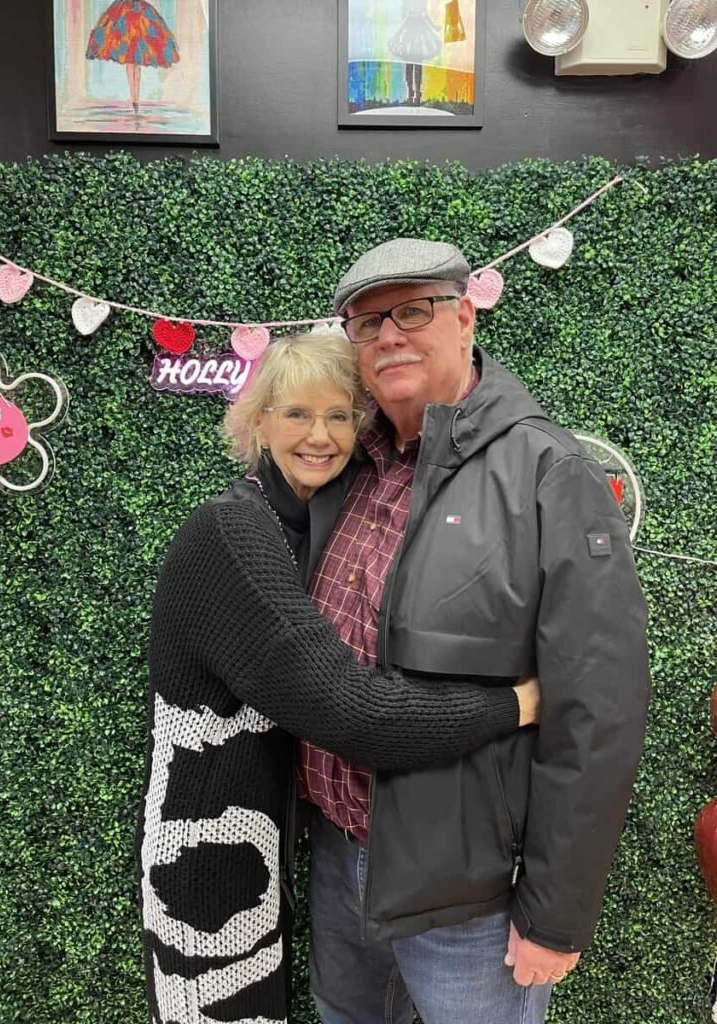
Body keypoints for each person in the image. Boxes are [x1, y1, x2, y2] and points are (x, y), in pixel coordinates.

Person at [138, 330, 541, 1024]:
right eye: (296, 413)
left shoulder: (300, 526)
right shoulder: (235, 534)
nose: (319, 435)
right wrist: (516, 704)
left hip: (253, 849)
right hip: (204, 862)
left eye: (338, 416)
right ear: (257, 422)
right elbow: (353, 714)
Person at [299, 239, 651, 1024]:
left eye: (412, 311)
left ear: (464, 317)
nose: (389, 336)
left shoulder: (547, 471)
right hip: (338, 857)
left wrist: (555, 914)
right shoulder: (342, 465)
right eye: (367, 322)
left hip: (468, 898)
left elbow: (599, 708)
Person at [86, 0, 180, 116]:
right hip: (126, 13)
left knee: (136, 58)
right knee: (131, 58)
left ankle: (135, 99)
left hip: (139, 14)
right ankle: (134, 99)